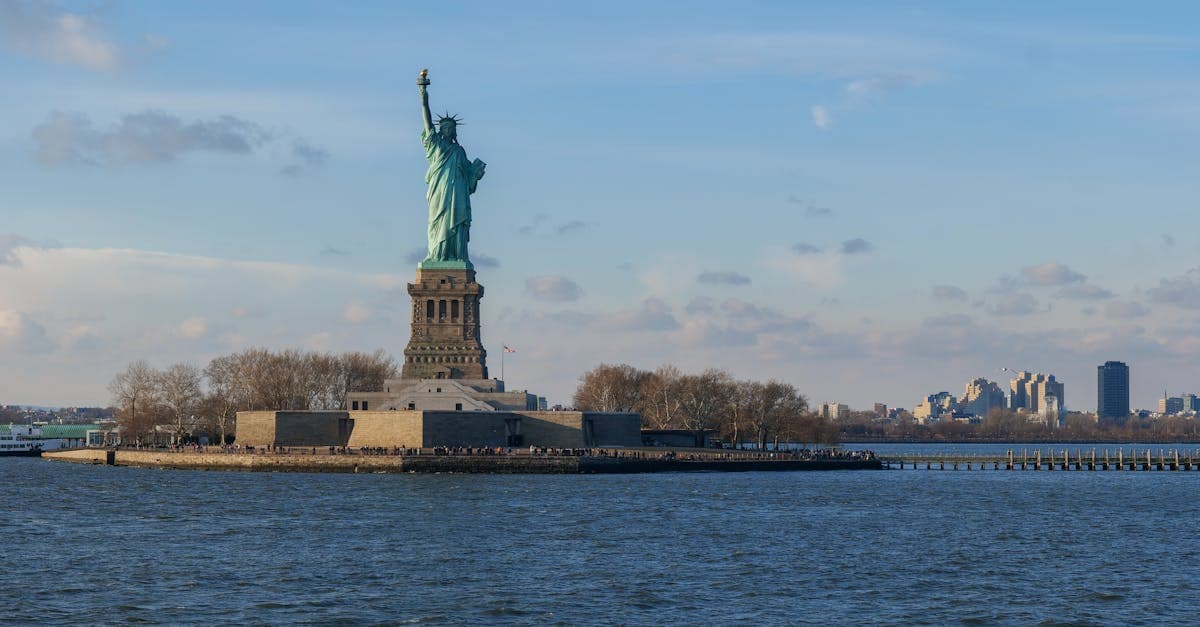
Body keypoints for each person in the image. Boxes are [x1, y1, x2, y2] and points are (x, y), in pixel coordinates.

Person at [417, 69, 486, 264]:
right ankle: (438, 256)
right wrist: (423, 93)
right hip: (440, 193)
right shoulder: (435, 145)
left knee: (458, 224)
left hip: (458, 194)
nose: (449, 130)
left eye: (451, 128)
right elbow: (427, 121)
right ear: (441, 130)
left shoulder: (459, 151)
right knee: (439, 224)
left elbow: (469, 181)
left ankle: (457, 256)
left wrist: (476, 173)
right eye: (445, 127)